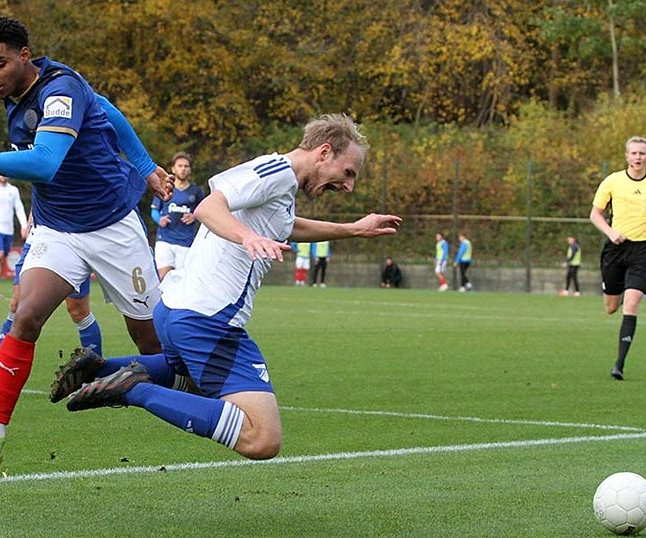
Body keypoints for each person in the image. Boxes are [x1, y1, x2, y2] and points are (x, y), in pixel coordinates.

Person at [56, 114, 401, 460]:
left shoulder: (282, 186)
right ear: (324, 153)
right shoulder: (275, 171)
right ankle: (132, 389)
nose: (348, 185)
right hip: (208, 320)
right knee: (262, 438)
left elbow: (285, 226)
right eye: (348, 172)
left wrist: (352, 229)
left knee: (189, 381)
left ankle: (102, 369)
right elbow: (209, 206)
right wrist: (247, 237)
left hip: (179, 311)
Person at [0, 16, 174, 475]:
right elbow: (109, 110)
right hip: (58, 231)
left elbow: (46, 163)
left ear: (23, 56)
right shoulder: (19, 95)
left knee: (152, 342)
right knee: (26, 313)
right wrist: (150, 167)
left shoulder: (60, 90)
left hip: (113, 227)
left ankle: (145, 380)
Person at [0, 217, 104, 394]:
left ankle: (93, 377)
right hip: (38, 237)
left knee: (78, 311)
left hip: (73, 237)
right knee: (17, 305)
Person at [590, 135, 646, 381]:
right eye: (634, 153)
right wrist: (610, 231)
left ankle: (619, 364)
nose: (638, 157)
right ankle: (619, 293)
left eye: (642, 153)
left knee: (632, 303)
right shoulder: (612, 181)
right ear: (627, 156)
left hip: (642, 252)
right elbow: (595, 214)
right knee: (611, 307)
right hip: (615, 250)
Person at [151, 152, 205, 280]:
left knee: (182, 280)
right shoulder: (166, 188)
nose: (183, 169)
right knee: (163, 277)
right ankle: (161, 301)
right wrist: (160, 219)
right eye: (180, 166)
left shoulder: (196, 192)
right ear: (173, 169)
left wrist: (194, 216)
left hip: (185, 241)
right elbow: (154, 210)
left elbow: (204, 211)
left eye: (186, 166)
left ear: (190, 170)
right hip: (165, 239)